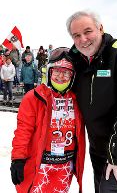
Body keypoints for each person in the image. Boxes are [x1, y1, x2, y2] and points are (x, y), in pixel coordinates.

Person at [66, 10, 117, 193]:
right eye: (76, 35)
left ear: (100, 28)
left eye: (88, 31)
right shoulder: (79, 59)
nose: (83, 39)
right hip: (98, 145)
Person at [10, 47, 85, 193]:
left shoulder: (77, 100)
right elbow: (23, 130)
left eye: (66, 72)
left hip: (64, 165)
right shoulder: (33, 98)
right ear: (49, 72)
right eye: (56, 71)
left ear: (73, 76)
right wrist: (18, 159)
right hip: (40, 165)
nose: (60, 76)